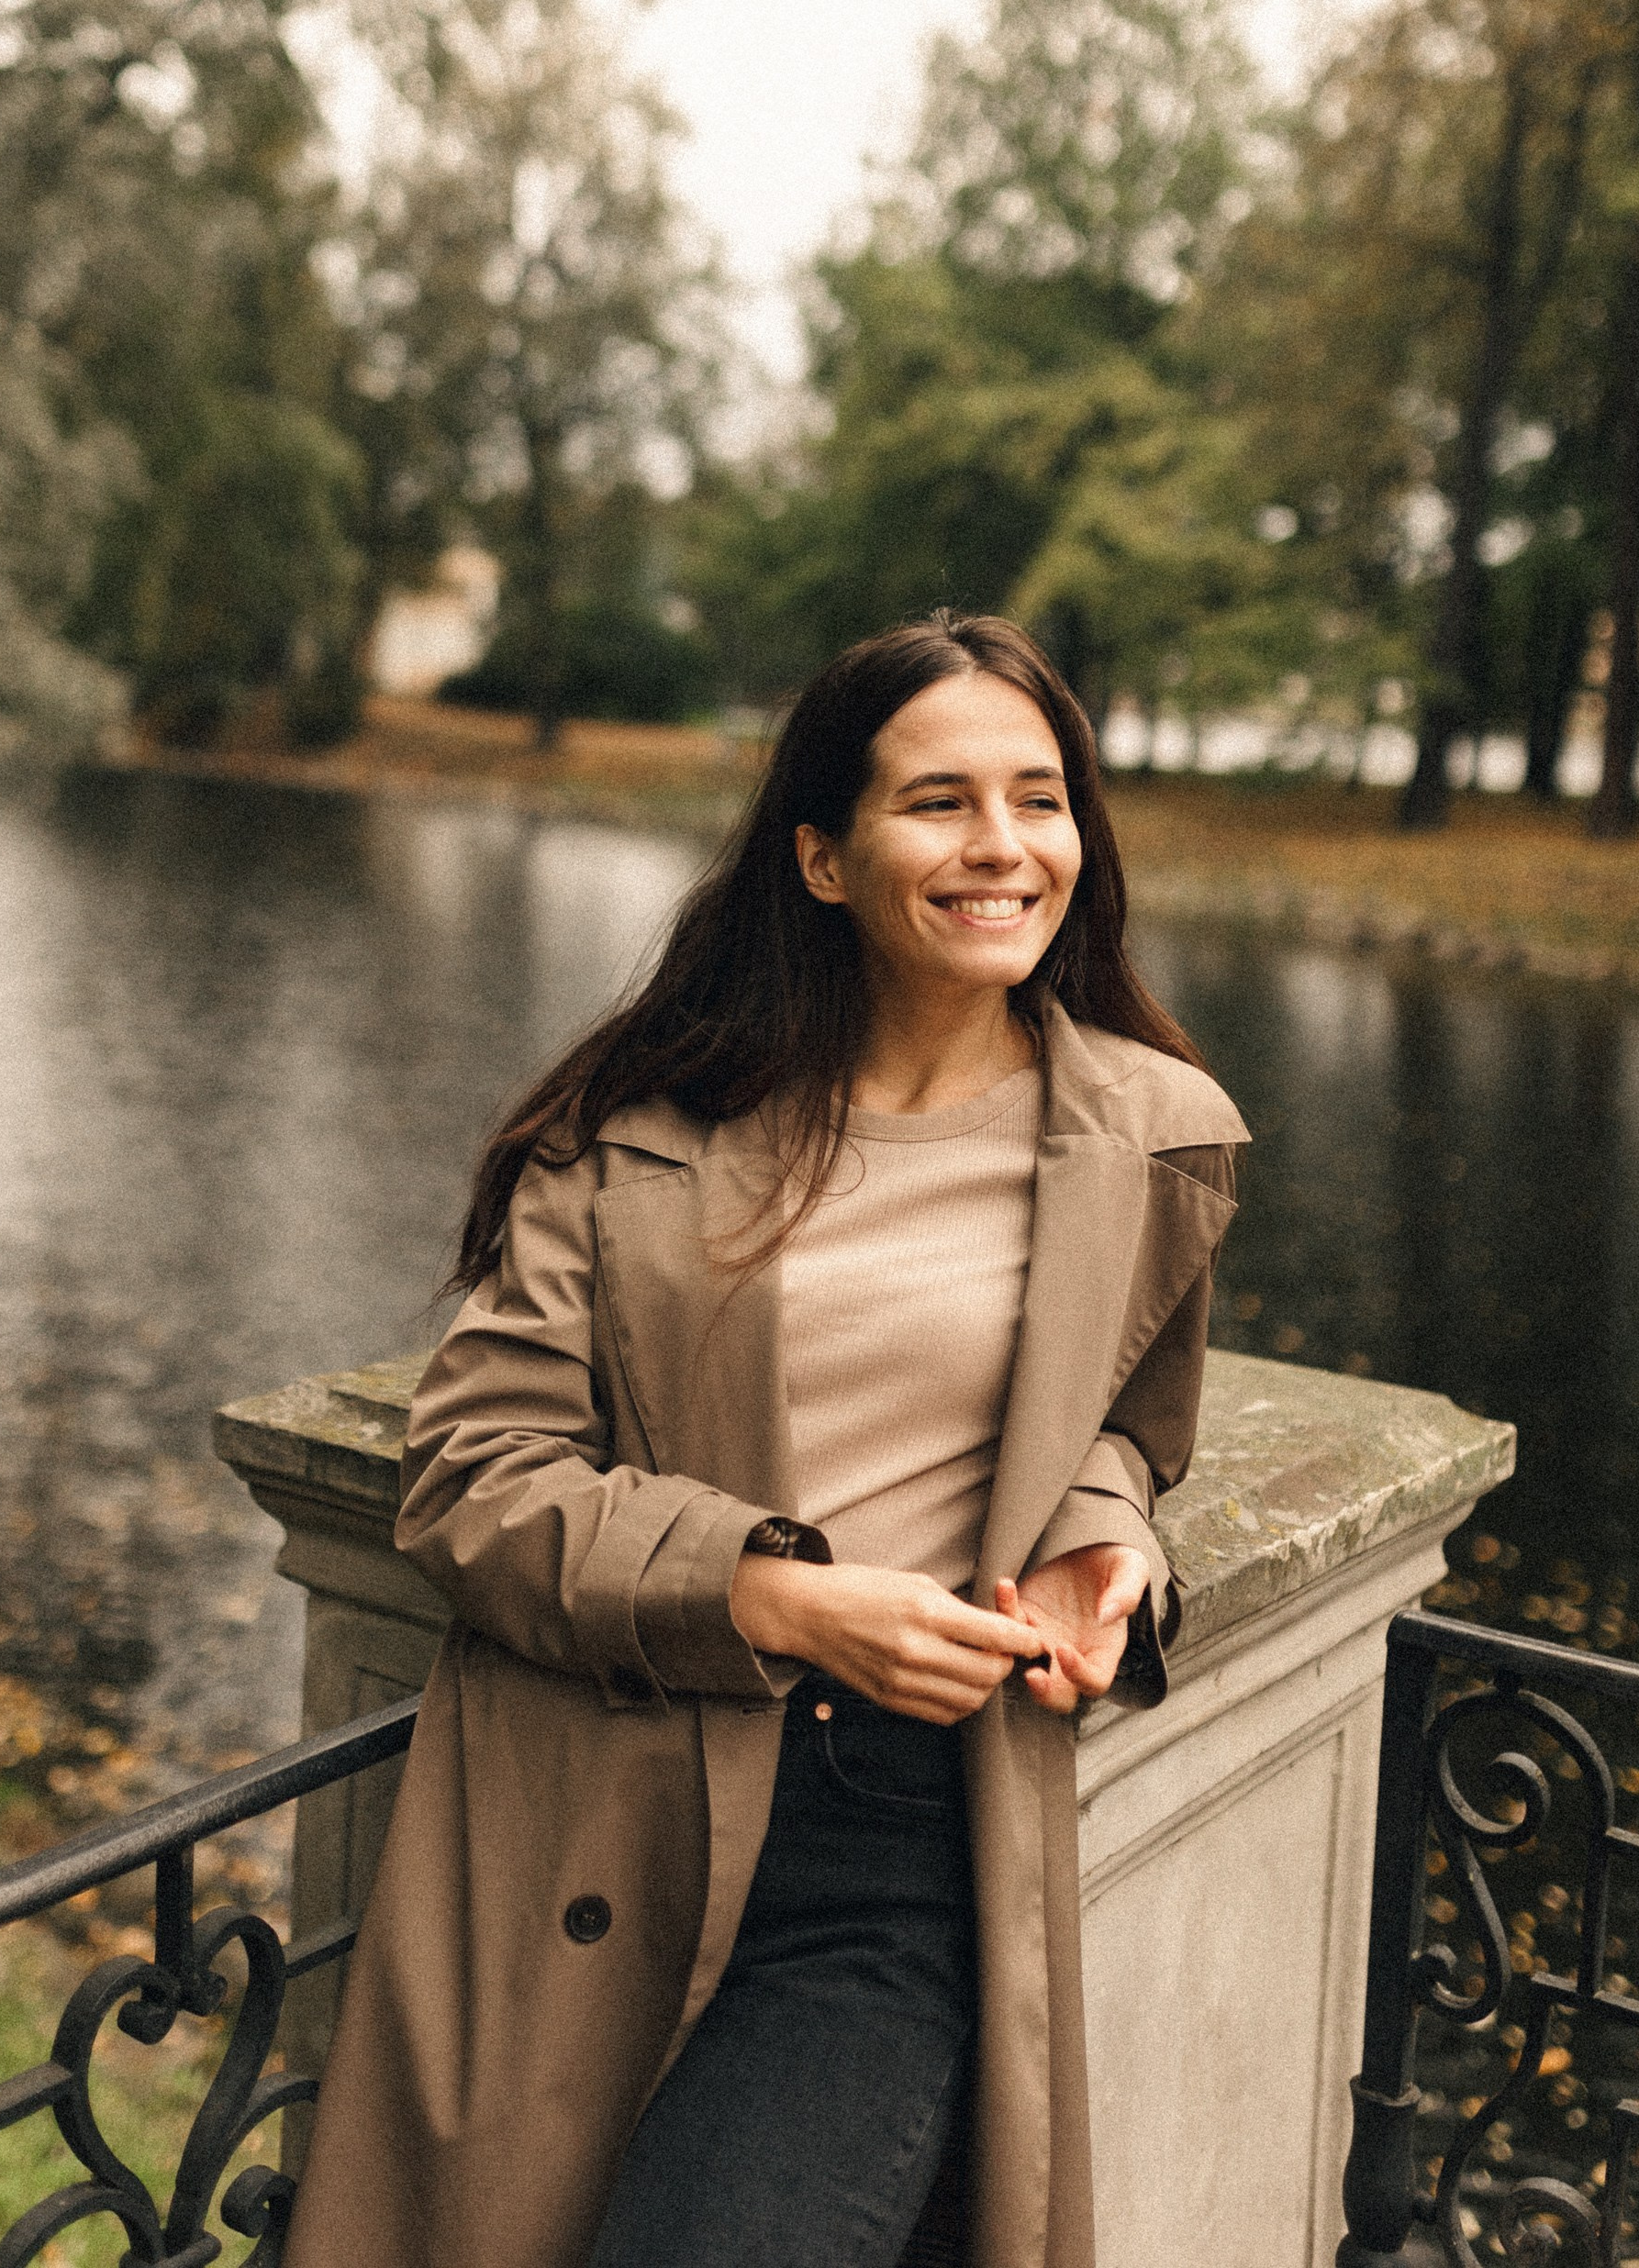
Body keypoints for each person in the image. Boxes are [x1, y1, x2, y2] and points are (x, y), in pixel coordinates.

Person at [284, 612, 1247, 2268]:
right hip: (607, 1810)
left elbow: (1129, 1427)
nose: (1005, 849)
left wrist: (1106, 1537)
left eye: (1042, 797)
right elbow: (473, 1477)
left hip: (901, 1840)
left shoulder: (1156, 1135)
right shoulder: (631, 1138)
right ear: (823, 856)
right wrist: (778, 1595)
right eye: (939, 803)